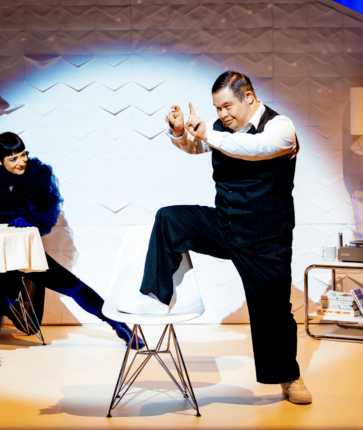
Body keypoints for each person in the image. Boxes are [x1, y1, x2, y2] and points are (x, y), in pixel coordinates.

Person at [116, 70, 312, 404]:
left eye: (226, 107)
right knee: (170, 218)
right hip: (225, 225)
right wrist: (179, 132)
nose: (222, 115)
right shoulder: (221, 128)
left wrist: (208, 133)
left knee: (274, 313)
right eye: (216, 108)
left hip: (267, 238)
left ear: (248, 97)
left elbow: (254, 148)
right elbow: (197, 147)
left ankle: (289, 378)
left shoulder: (281, 127)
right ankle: (156, 297)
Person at [0, 132, 137, 352]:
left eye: (23, 154)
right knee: (9, 282)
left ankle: (119, 326)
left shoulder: (37, 175)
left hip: (25, 252)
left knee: (72, 286)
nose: (21, 161)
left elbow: (45, 212)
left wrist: (28, 219)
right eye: (12, 158)